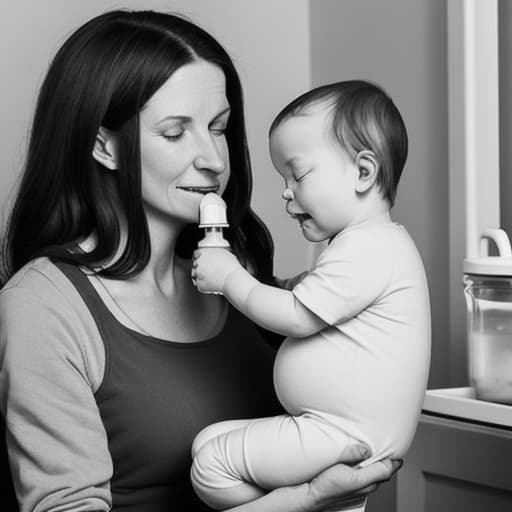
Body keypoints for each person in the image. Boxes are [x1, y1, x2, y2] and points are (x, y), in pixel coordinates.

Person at [0, 11, 400, 512]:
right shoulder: (42, 307)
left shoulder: (246, 282)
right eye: (175, 133)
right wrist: (303, 501)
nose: (213, 158)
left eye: (219, 128)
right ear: (103, 146)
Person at [191, 80, 431, 510]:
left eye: (297, 174)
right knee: (209, 441)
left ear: (363, 172)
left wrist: (229, 278)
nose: (286, 190)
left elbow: (298, 316)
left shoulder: (368, 247)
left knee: (211, 465)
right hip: (335, 429)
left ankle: (312, 505)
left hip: (344, 434)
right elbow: (309, 299)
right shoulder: (368, 246)